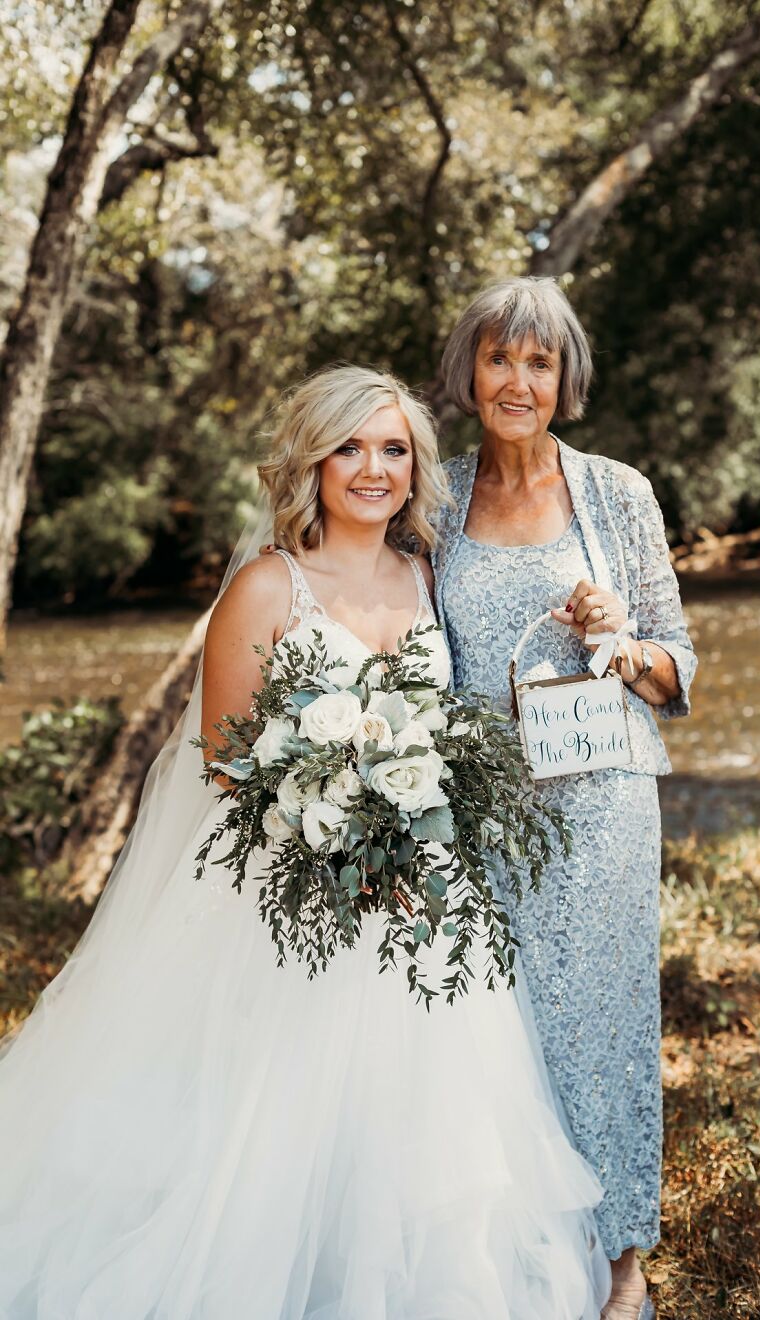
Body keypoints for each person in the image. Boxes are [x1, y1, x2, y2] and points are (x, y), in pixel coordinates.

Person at [0, 365, 612, 1318]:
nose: (374, 468)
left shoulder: (425, 573)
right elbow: (223, 764)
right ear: (314, 463)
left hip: (423, 892)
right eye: (351, 448)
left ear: (416, 467)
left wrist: (592, 623)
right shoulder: (265, 586)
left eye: (395, 449)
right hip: (291, 896)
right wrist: (336, 835)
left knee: (428, 1132)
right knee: (266, 1129)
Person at [434, 277, 698, 1320]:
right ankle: (513, 1255)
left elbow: (679, 668)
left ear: (564, 379)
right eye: (499, 358)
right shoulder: (433, 496)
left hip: (599, 807)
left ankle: (622, 1257)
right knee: (492, 1035)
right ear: (469, 373)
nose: (517, 380)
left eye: (537, 362)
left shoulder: (618, 494)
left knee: (604, 1024)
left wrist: (623, 641)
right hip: (479, 810)